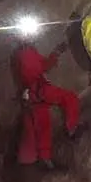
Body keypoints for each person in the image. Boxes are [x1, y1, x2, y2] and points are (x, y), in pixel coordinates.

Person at [15, 38, 80, 169]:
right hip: (39, 90)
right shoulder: (24, 53)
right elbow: (35, 70)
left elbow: (44, 65)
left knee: (43, 124)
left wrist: (56, 53)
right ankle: (72, 128)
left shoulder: (28, 52)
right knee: (70, 98)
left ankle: (44, 159)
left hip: (33, 95)